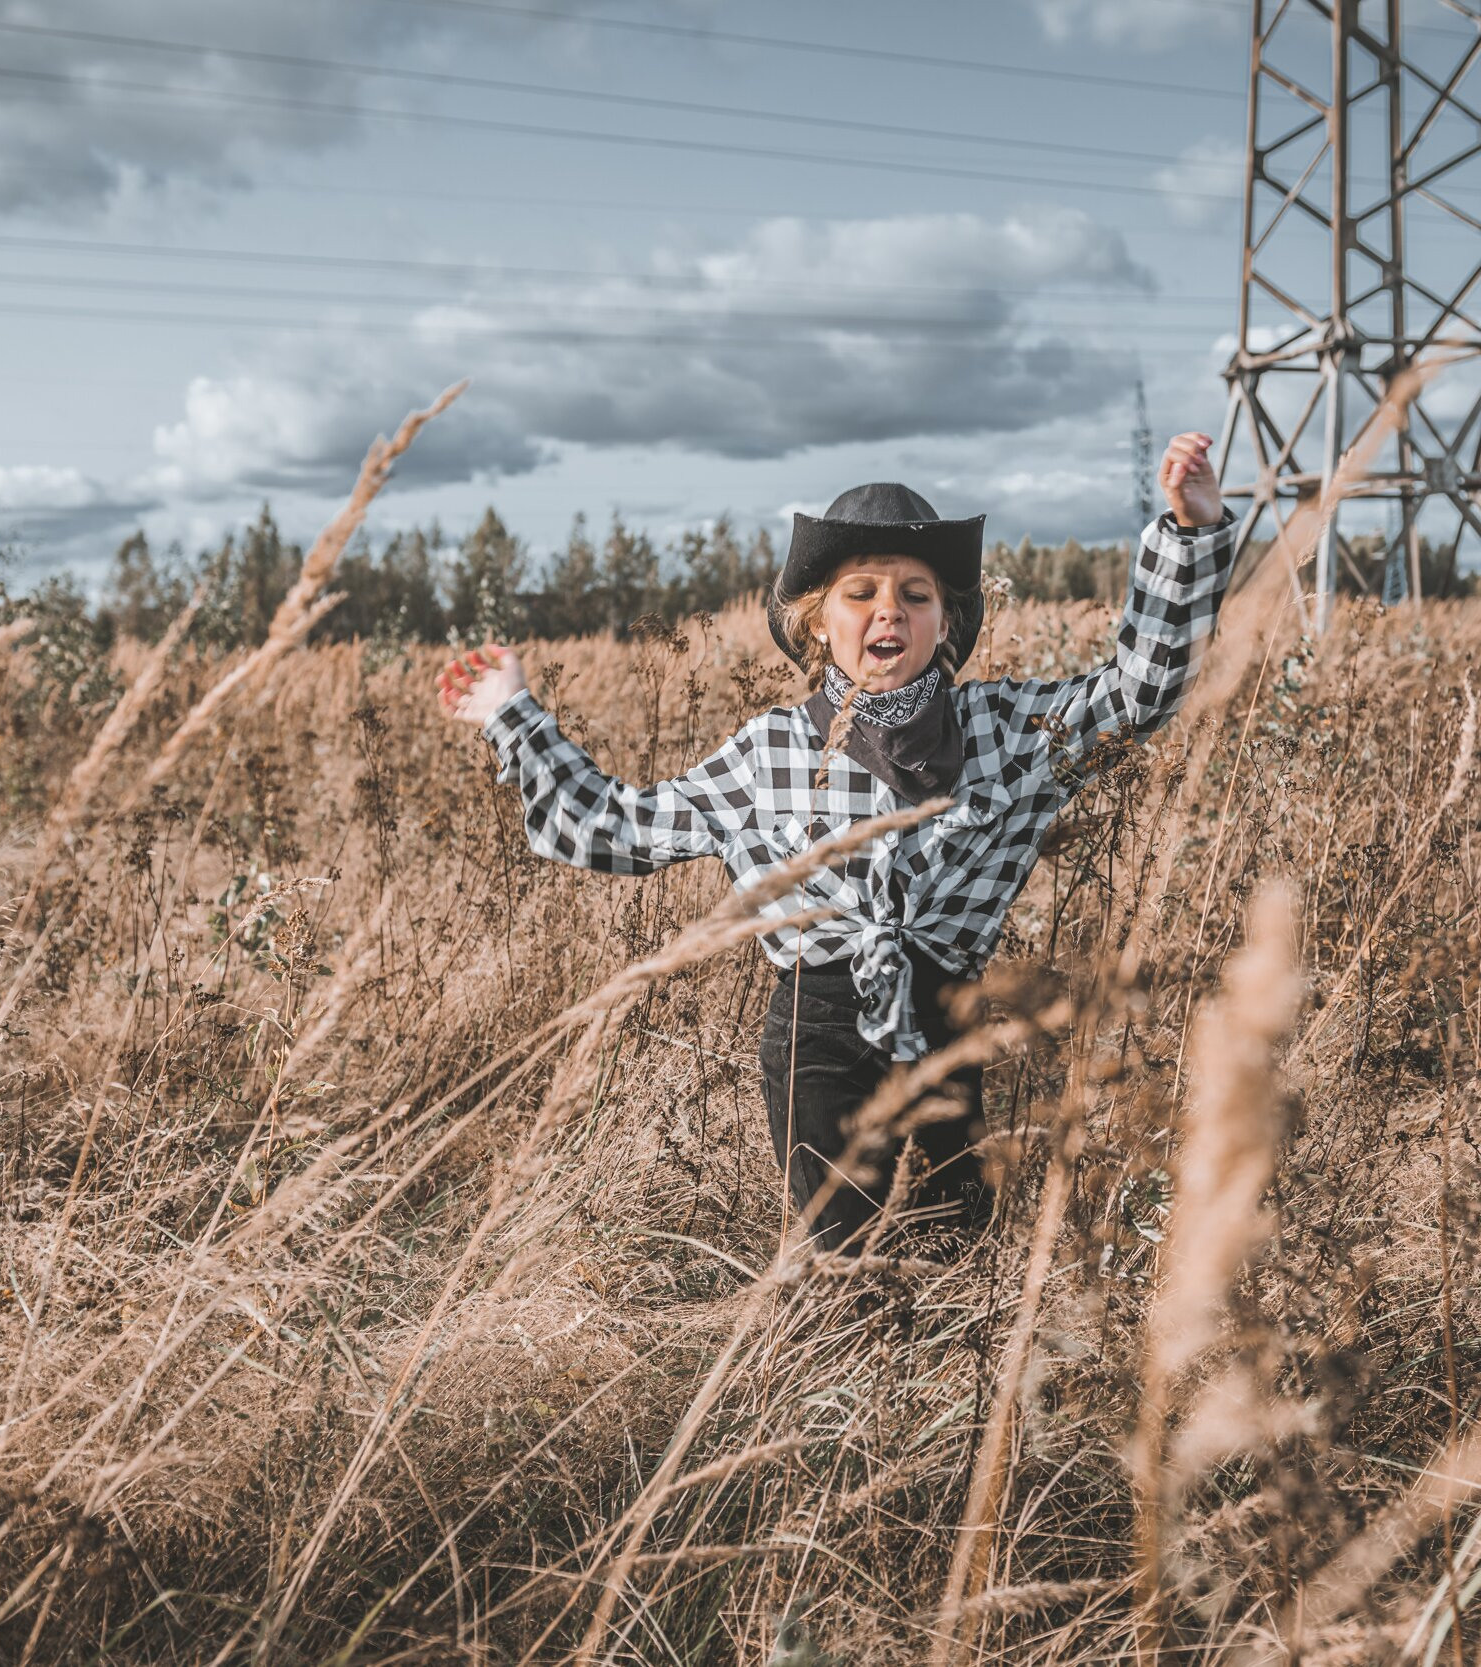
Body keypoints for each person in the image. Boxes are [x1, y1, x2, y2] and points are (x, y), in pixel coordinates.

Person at [439, 433, 1235, 1251]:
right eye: (861, 592)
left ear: (946, 623)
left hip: (946, 1022)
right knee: (846, 1254)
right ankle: (839, 1355)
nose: (889, 609)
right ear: (817, 625)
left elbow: (1137, 695)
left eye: (915, 594)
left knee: (951, 1241)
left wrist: (1189, 535)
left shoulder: (1006, 731)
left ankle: (932, 1375)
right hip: (814, 1036)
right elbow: (615, 827)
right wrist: (515, 717)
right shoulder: (768, 751)